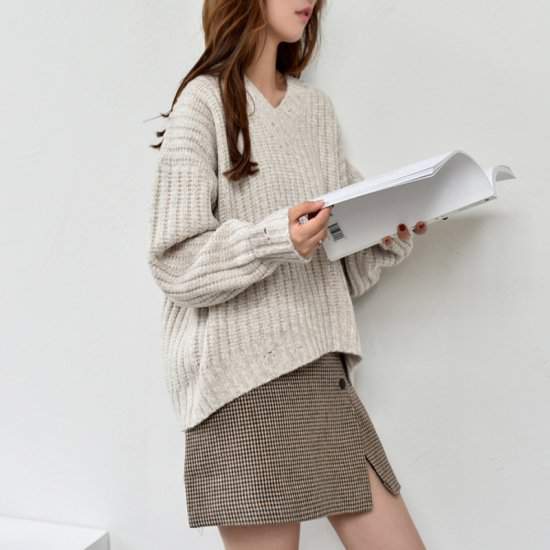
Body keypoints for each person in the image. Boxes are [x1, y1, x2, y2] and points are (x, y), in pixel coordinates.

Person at [147, 1, 428, 548]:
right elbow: (175, 261)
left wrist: (384, 238)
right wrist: (277, 239)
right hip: (239, 387)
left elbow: (333, 271)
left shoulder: (314, 111)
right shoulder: (202, 104)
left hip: (321, 373)